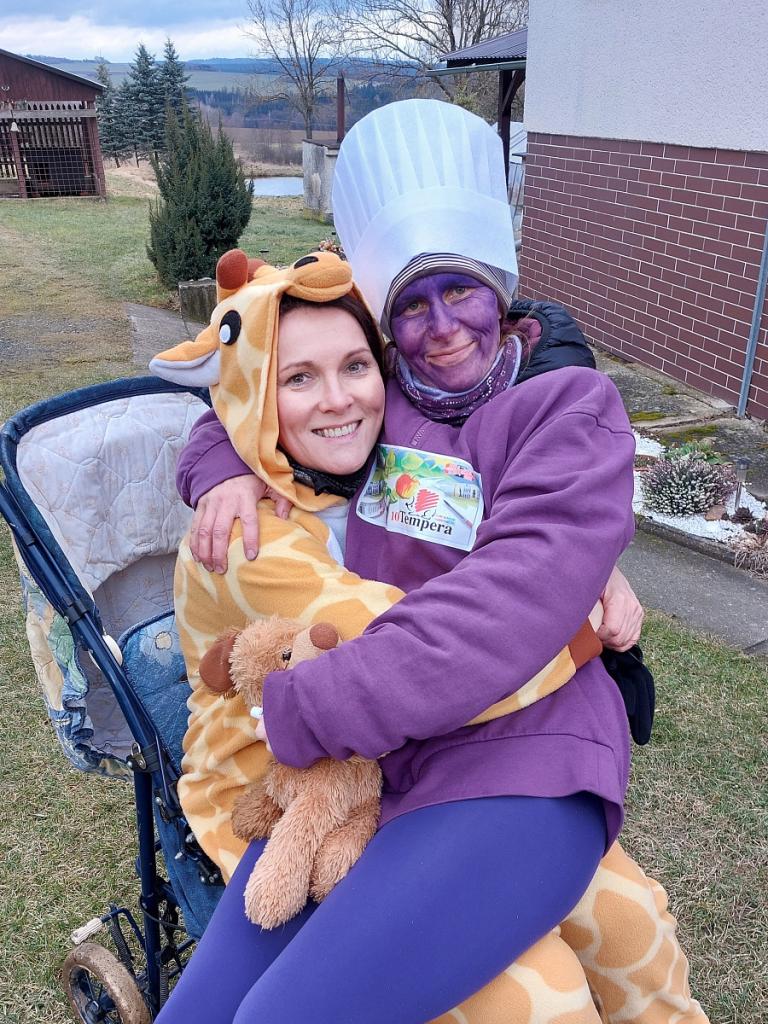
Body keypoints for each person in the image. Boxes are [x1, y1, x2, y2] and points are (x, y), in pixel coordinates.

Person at [158, 102, 707, 1023]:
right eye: (412, 304)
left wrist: (306, 706)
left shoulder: (567, 411)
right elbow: (262, 391)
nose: (442, 326)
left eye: (462, 291)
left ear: (502, 289)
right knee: (205, 1009)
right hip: (372, 765)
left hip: (519, 761)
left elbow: (506, 608)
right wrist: (221, 467)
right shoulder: (383, 397)